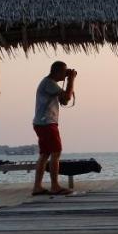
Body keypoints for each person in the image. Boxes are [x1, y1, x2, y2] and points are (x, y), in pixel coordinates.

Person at [32, 61, 76, 195]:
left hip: (41, 123)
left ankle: (37, 187)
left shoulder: (50, 84)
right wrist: (72, 79)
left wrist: (69, 80)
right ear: (56, 71)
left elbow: (64, 101)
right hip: (47, 123)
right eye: (64, 71)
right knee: (56, 152)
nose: (66, 74)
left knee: (45, 154)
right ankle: (55, 186)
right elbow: (67, 96)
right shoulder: (49, 83)